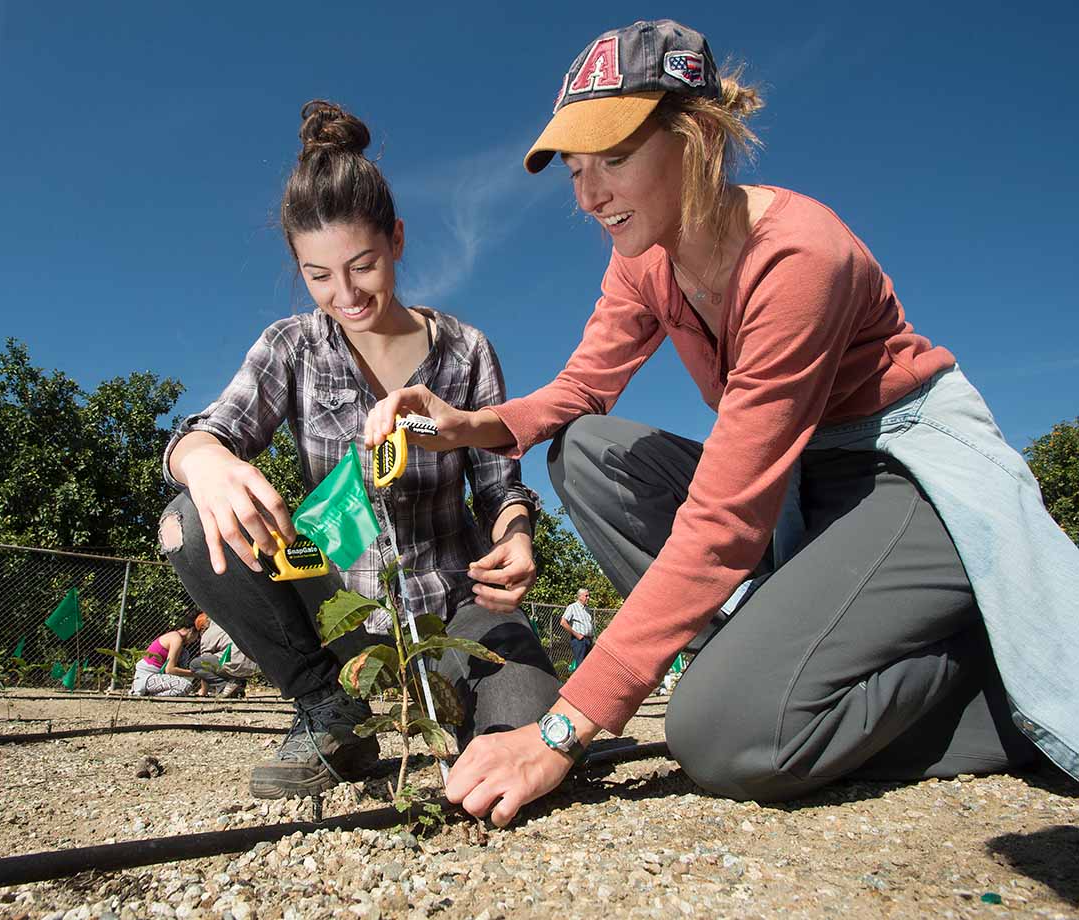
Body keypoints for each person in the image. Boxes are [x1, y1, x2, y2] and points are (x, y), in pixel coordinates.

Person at [366, 19, 1079, 824]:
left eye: (617, 158)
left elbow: (728, 518)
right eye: (574, 169)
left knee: (720, 739)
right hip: (804, 484)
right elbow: (579, 389)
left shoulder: (799, 256)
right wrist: (460, 424)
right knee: (588, 452)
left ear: (698, 136)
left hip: (908, 477)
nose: (590, 194)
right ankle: (756, 648)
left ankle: (998, 672)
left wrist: (563, 727)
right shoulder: (642, 258)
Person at [158, 101, 561, 799]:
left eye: (363, 265)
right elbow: (203, 433)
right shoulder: (291, 346)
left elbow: (501, 490)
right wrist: (207, 461)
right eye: (318, 275)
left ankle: (461, 700)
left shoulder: (465, 351)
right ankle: (329, 708)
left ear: (397, 241)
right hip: (336, 602)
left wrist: (517, 538)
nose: (345, 294)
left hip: (456, 610)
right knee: (185, 519)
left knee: (520, 738)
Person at [190, 612, 258, 699]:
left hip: (233, 664)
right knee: (229, 656)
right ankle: (238, 689)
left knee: (196, 664)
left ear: (202, 628)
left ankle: (223, 686)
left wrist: (203, 691)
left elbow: (205, 660)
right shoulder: (227, 624)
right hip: (252, 666)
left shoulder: (208, 633)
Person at [130, 614, 200, 697]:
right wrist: (196, 674)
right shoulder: (177, 639)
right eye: (198, 635)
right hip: (147, 676)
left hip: (157, 676)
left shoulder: (178, 640)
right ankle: (148, 694)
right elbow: (170, 669)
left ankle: (149, 692)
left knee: (185, 656)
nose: (196, 639)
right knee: (185, 686)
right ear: (192, 630)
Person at [559, 588, 594, 668]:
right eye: (586, 596)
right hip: (579, 641)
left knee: (588, 665)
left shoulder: (587, 609)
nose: (588, 598)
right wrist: (577, 635)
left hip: (588, 640)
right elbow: (563, 622)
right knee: (580, 666)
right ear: (580, 596)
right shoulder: (572, 607)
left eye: (589, 596)